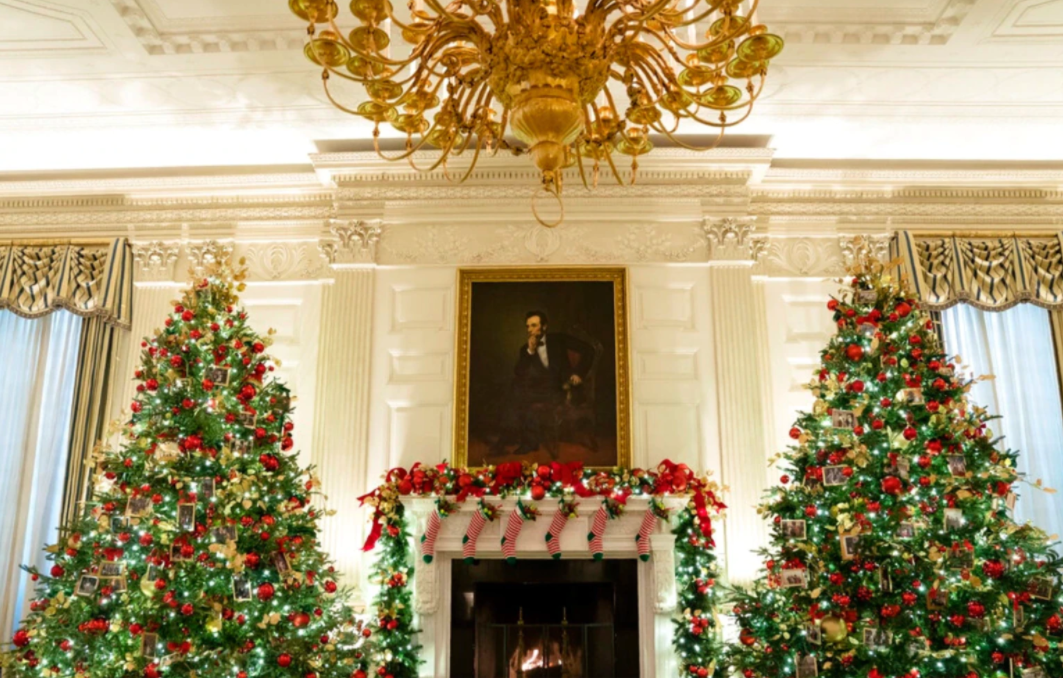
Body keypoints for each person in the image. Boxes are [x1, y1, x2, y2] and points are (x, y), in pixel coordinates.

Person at [494, 310, 593, 457]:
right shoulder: (525, 349)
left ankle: (506, 440)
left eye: (534, 325)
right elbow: (519, 372)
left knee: (518, 393)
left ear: (544, 327)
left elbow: (589, 349)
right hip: (541, 390)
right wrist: (530, 351)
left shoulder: (559, 339)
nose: (530, 330)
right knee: (516, 389)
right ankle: (522, 441)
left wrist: (579, 373)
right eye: (527, 326)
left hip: (564, 388)